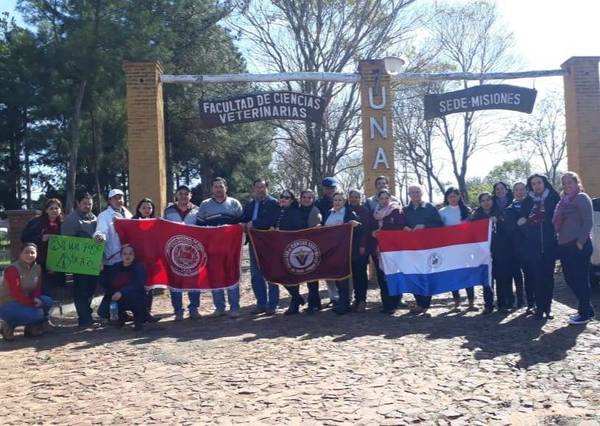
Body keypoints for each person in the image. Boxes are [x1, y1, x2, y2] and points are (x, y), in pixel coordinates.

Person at [197, 177, 243, 317]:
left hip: (231, 248)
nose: (218, 189)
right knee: (215, 277)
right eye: (216, 186)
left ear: (226, 188)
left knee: (232, 275)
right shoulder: (205, 205)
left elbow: (241, 225)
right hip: (212, 249)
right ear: (212, 189)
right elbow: (199, 227)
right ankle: (219, 307)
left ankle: (234, 307)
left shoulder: (234, 203)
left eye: (221, 186)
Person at [516, 174, 560, 320]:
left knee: (548, 277)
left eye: (539, 182)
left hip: (549, 245)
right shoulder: (528, 201)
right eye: (533, 184)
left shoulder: (553, 198)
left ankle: (548, 308)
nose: (537, 186)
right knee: (537, 278)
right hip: (533, 246)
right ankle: (539, 308)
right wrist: (528, 230)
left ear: (544, 183)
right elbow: (521, 221)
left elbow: (560, 218)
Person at [554, 172, 595, 325]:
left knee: (581, 280)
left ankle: (584, 314)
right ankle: (587, 309)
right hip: (565, 246)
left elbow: (588, 221)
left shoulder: (582, 198)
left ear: (577, 183)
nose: (566, 186)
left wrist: (580, 242)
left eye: (569, 182)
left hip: (578, 245)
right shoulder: (563, 201)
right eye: (564, 183)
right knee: (570, 278)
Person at [403, 185, 443, 315]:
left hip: (427, 247)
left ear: (422, 193)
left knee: (426, 274)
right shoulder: (405, 210)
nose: (415, 194)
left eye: (417, 192)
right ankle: (418, 302)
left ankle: (425, 303)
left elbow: (439, 225)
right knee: (414, 274)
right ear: (409, 195)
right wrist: (404, 227)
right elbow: (400, 224)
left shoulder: (430, 207)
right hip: (411, 248)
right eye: (412, 192)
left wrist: (425, 226)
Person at [242, 179, 281, 315]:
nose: (260, 189)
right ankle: (261, 304)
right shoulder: (250, 205)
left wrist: (255, 223)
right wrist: (243, 224)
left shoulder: (274, 203)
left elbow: (273, 219)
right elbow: (244, 219)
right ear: (253, 188)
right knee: (256, 275)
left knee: (271, 273)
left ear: (267, 188)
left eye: (263, 187)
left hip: (269, 243)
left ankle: (273, 304)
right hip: (253, 244)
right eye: (257, 187)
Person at [0, 243, 53, 341]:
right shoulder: (13, 269)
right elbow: (16, 293)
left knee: (47, 301)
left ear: (36, 254)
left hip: (26, 300)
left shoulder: (37, 268)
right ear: (20, 254)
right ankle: (8, 325)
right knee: (37, 314)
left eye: (32, 252)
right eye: (26, 252)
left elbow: (37, 288)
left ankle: (31, 328)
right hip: (9, 303)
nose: (29, 255)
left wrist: (36, 298)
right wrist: (32, 303)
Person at [163, 185, 201, 321]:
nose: (184, 196)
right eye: (181, 193)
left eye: (186, 194)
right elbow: (163, 229)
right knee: (175, 281)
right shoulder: (168, 211)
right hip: (174, 251)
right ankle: (178, 310)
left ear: (190, 196)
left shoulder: (197, 210)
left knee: (193, 280)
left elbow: (202, 229)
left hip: (193, 252)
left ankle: (194, 308)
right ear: (176, 195)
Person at [61, 192, 99, 327]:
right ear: (78, 203)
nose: (87, 206)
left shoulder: (94, 217)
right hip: (79, 262)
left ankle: (87, 314)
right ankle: (84, 318)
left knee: (90, 289)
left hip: (92, 262)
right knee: (81, 290)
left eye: (90, 204)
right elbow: (66, 241)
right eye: (84, 203)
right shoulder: (71, 219)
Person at [471, 192, 512, 314]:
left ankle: (502, 304)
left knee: (501, 278)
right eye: (483, 200)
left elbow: (507, 231)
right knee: (487, 280)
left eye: (488, 199)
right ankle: (488, 305)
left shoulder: (501, 213)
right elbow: (472, 235)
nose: (486, 202)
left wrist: (498, 221)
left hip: (500, 251)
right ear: (480, 203)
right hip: (484, 253)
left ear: (492, 201)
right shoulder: (476, 217)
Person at [439, 187, 477, 311]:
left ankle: (471, 302)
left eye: (455, 196)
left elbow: (473, 228)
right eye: (450, 196)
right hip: (450, 249)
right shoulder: (442, 212)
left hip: (465, 249)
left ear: (459, 197)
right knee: (453, 275)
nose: (453, 198)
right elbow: (439, 230)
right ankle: (456, 303)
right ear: (447, 198)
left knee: (467, 275)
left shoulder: (467, 210)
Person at [324, 191, 361, 315]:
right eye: (335, 200)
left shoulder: (349, 213)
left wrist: (356, 225)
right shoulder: (328, 213)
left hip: (344, 250)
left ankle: (345, 303)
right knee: (336, 276)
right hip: (331, 249)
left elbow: (360, 227)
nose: (337, 202)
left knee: (343, 276)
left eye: (340, 200)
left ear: (344, 201)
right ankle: (340, 301)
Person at [21, 198, 65, 296]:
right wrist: (41, 238)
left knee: (56, 289)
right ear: (46, 210)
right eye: (51, 208)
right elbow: (24, 238)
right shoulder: (36, 222)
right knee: (42, 287)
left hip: (57, 262)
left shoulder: (63, 223)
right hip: (40, 261)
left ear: (60, 210)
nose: (54, 211)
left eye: (57, 208)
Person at [97, 245, 147, 331]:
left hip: (135, 297)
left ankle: (138, 318)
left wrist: (122, 292)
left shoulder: (139, 267)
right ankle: (122, 317)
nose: (127, 256)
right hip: (117, 297)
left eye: (130, 254)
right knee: (102, 311)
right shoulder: (115, 267)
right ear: (121, 256)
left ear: (134, 256)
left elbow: (137, 284)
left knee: (138, 302)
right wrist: (101, 272)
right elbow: (106, 284)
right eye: (125, 254)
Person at [371, 189, 405, 314]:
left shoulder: (396, 210)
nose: (384, 201)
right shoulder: (375, 212)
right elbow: (371, 227)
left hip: (394, 249)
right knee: (382, 276)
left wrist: (383, 231)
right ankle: (387, 304)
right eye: (381, 198)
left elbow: (399, 227)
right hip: (379, 249)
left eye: (386, 198)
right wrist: (373, 233)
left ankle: (396, 301)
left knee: (394, 275)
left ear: (390, 198)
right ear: (378, 200)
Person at [275, 190, 306, 315]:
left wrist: (282, 232)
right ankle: (297, 298)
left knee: (291, 276)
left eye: (287, 197)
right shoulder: (278, 210)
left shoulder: (295, 212)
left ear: (292, 200)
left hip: (292, 247)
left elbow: (297, 229)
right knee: (280, 275)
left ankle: (294, 303)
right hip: (279, 247)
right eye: (282, 197)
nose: (284, 199)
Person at [131, 198, 160, 323]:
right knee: (139, 287)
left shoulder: (157, 223)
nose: (147, 210)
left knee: (150, 288)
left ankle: (147, 312)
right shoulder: (132, 222)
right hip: (137, 260)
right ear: (138, 209)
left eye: (149, 207)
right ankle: (139, 313)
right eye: (144, 207)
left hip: (151, 260)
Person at [505, 182, 530, 310]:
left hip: (529, 248)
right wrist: (519, 224)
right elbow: (508, 230)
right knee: (517, 276)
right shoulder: (509, 209)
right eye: (517, 190)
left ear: (525, 191)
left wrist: (524, 224)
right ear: (513, 192)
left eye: (522, 189)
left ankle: (531, 302)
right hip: (514, 248)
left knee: (530, 276)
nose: (520, 192)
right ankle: (519, 300)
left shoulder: (531, 205)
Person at [298, 189, 323, 313]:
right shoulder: (296, 210)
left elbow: (316, 228)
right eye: (304, 197)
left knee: (312, 276)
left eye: (309, 197)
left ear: (313, 199)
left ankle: (314, 303)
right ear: (300, 198)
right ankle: (314, 302)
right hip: (298, 246)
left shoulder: (315, 211)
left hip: (311, 247)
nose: (306, 199)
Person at [348, 189, 371, 312]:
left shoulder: (365, 211)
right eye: (352, 197)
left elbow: (366, 230)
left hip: (361, 248)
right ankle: (356, 300)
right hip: (348, 248)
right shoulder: (346, 209)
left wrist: (363, 246)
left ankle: (362, 300)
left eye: (357, 197)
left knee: (361, 275)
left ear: (360, 198)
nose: (354, 199)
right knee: (354, 276)